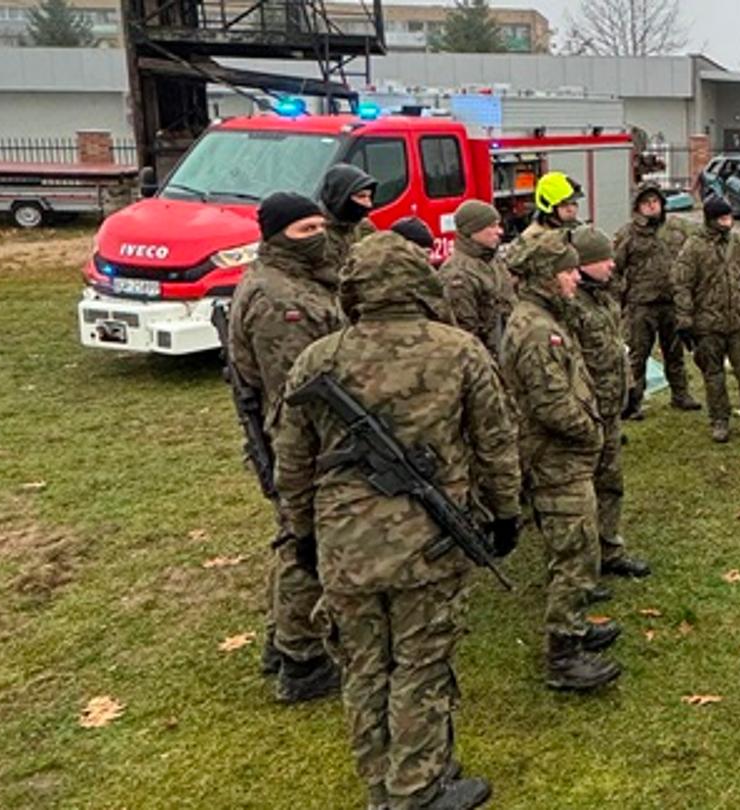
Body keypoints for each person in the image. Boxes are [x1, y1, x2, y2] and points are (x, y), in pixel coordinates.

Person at [273, 231, 518, 810]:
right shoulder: (459, 351)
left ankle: (382, 785)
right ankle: (417, 789)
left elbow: (292, 460)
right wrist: (505, 514)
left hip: (345, 545)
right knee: (421, 666)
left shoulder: (321, 356)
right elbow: (496, 445)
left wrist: (303, 533)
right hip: (429, 546)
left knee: (364, 668)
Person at [226, 191, 345, 703]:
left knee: (295, 537)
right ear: (275, 235)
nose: (317, 237)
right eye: (304, 230)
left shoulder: (294, 281)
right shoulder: (281, 300)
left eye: (320, 226)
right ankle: (302, 660)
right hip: (306, 439)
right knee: (306, 541)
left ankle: (282, 638)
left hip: (300, 434)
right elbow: (302, 386)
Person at [498, 229, 622, 692]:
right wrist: (592, 432)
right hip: (555, 457)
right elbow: (551, 404)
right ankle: (564, 654)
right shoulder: (535, 329)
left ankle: (574, 627)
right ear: (545, 278)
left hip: (565, 455)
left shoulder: (548, 317)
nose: (574, 278)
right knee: (572, 550)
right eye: (567, 271)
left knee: (580, 543)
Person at [569, 225, 651, 580]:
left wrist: (630, 387)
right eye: (603, 260)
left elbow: (617, 349)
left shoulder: (604, 298)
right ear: (584, 264)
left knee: (611, 481)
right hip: (586, 411)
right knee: (581, 493)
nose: (611, 266)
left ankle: (609, 548)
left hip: (611, 405)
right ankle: (582, 565)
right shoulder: (571, 307)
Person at [672, 196, 740, 443]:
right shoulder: (693, 248)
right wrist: (685, 321)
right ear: (711, 220)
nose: (727, 222)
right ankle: (720, 420)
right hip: (708, 325)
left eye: (729, 217)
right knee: (714, 374)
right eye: (722, 218)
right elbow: (682, 285)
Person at [616, 182, 701, 418]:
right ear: (638, 207)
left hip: (671, 303)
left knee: (675, 353)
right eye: (646, 203)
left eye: (655, 202)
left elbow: (690, 261)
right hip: (640, 305)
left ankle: (681, 394)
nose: (651, 206)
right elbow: (615, 269)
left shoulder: (677, 229)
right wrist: (618, 301)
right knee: (637, 356)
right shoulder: (627, 234)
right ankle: (633, 402)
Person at [439, 200, 515, 355]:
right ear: (473, 230)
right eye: (492, 226)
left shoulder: (492, 261)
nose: (499, 231)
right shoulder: (457, 275)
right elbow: (465, 335)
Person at [319, 163, 380, 270]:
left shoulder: (363, 227)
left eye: (369, 197)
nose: (368, 204)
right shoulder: (316, 233)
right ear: (341, 197)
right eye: (361, 196)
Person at [524, 171, 582, 241]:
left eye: (573, 203)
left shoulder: (578, 228)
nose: (571, 209)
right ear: (548, 207)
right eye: (563, 205)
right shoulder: (534, 238)